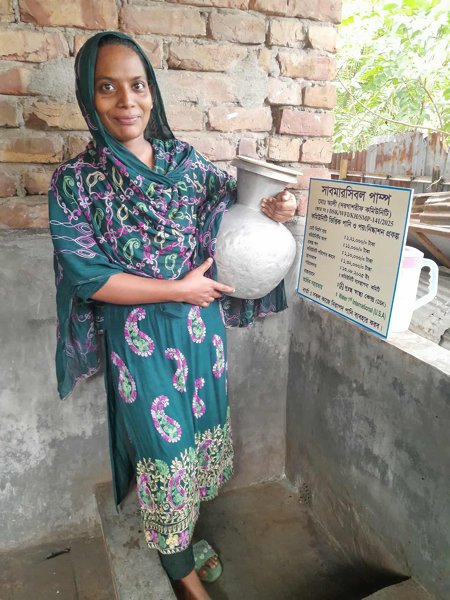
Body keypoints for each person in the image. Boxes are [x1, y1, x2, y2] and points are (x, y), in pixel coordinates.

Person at [48, 31, 296, 600]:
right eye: (107, 87)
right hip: (139, 343)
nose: (126, 101)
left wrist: (276, 205)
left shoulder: (186, 164)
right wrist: (175, 288)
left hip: (200, 332)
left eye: (137, 85)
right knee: (166, 454)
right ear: (88, 96)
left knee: (199, 442)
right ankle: (181, 572)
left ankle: (182, 540)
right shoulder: (75, 183)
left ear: (152, 92)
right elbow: (88, 276)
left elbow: (238, 203)